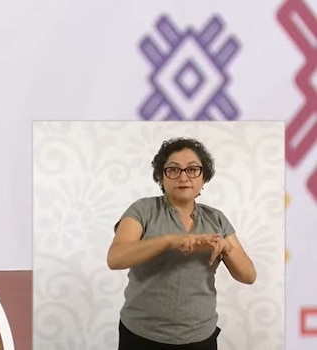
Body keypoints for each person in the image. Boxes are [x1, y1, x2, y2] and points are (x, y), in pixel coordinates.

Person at [106, 137, 257, 350]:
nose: (183, 177)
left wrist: (227, 247)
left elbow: (248, 276)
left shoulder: (216, 219)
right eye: (174, 170)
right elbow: (116, 258)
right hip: (141, 334)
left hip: (200, 337)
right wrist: (170, 240)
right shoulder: (143, 210)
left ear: (204, 178)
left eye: (193, 169)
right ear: (161, 177)